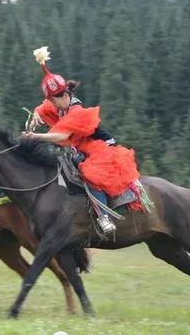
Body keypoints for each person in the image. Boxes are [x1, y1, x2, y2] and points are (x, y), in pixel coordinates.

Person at [23, 47, 140, 234]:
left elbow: (62, 136)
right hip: (81, 147)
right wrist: (36, 115)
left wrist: (36, 136)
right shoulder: (58, 103)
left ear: (64, 95)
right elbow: (41, 107)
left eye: (52, 100)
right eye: (50, 101)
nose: (50, 104)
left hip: (100, 147)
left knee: (90, 173)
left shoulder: (76, 111)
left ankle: (104, 217)